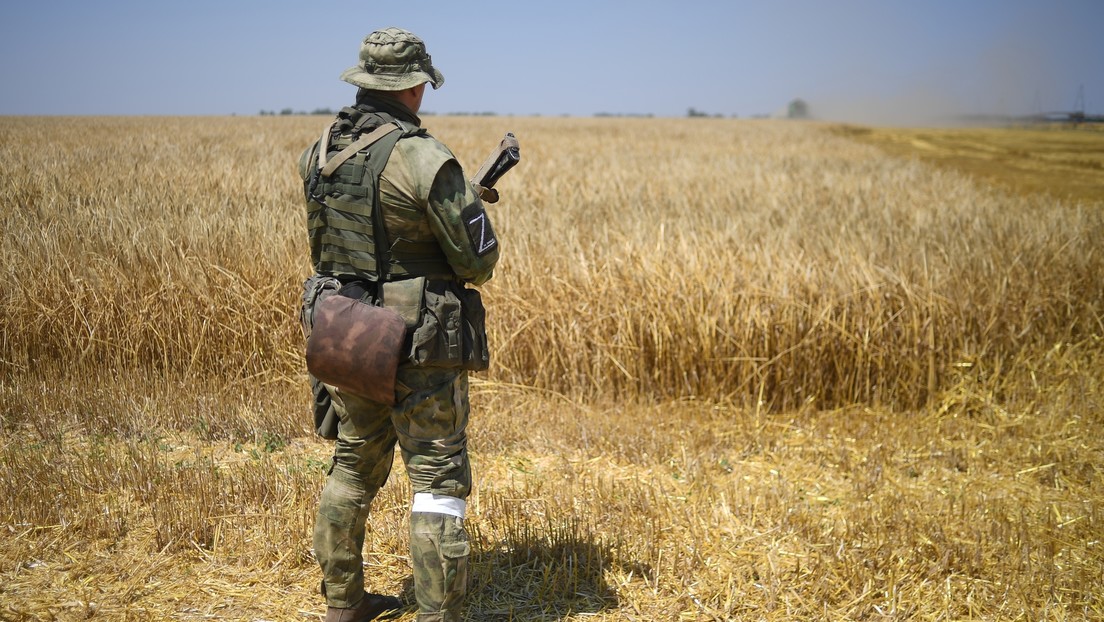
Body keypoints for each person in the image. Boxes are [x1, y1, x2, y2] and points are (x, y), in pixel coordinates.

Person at [296, 27, 500, 622]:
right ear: (415, 85)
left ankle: (344, 605)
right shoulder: (422, 156)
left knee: (353, 463)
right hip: (418, 340)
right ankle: (439, 614)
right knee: (437, 479)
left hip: (343, 329)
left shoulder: (320, 150)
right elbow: (477, 261)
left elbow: (336, 245)